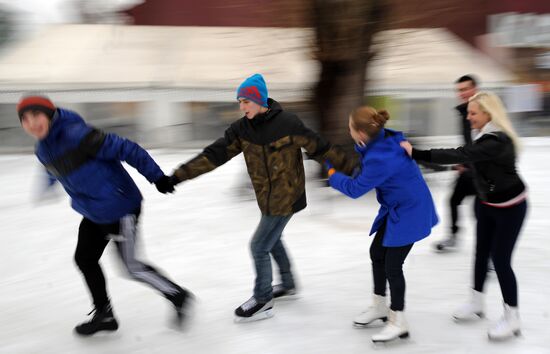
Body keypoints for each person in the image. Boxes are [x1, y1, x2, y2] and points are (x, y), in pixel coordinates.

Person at [158, 74, 358, 322]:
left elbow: (321, 148)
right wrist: (177, 176)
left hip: (287, 196)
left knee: (258, 245)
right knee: (272, 240)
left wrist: (353, 169)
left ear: (260, 101)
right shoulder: (241, 130)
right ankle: (288, 283)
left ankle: (263, 299)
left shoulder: (288, 123)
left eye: (246, 102)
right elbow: (212, 156)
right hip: (266, 197)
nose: (242, 107)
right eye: (239, 102)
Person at [18, 95, 193, 336]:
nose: (31, 123)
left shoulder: (78, 134)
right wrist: (47, 184)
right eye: (24, 119)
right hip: (93, 211)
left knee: (131, 266)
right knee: (85, 259)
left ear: (48, 114)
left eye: (35, 115)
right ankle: (105, 314)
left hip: (121, 208)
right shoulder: (42, 148)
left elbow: (127, 148)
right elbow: (55, 167)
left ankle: (179, 296)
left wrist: (157, 177)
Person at [401, 91, 527, 340]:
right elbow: (470, 156)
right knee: (481, 253)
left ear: (487, 114)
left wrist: (417, 154)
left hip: (511, 208)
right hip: (487, 204)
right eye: (468, 112)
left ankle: (512, 317)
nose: (469, 117)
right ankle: (477, 302)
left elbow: (462, 153)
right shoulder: (483, 134)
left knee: (500, 261)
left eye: (473, 113)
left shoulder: (496, 140)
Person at [326, 106, 438, 343]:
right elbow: (368, 168)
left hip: (410, 211)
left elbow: (355, 189)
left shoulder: (380, 157)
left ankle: (399, 321)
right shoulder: (384, 140)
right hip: (399, 206)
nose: (348, 131)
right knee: (377, 252)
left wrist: (333, 173)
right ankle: (379, 306)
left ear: (361, 133)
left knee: (393, 266)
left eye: (350, 128)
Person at [433, 75, 479, 252]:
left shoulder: (481, 110)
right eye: (460, 90)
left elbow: (484, 143)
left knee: (480, 211)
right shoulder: (465, 112)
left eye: (466, 88)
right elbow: (470, 143)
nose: (463, 93)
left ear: (475, 89)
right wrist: (462, 161)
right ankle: (452, 236)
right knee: (453, 200)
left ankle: (490, 250)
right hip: (470, 168)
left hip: (483, 171)